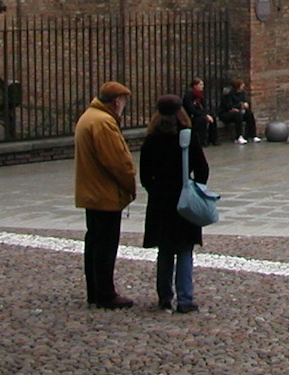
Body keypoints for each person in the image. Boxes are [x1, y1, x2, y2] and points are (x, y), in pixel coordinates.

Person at [140, 95, 209, 314]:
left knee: (165, 250)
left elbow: (144, 176)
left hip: (161, 199)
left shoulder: (151, 139)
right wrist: (195, 187)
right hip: (183, 195)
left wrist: (156, 190)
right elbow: (202, 169)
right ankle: (185, 299)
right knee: (185, 248)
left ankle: (164, 297)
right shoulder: (188, 136)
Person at [74, 80, 137, 309]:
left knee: (94, 242)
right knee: (105, 245)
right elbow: (117, 162)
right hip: (105, 194)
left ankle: (95, 290)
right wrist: (130, 184)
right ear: (117, 101)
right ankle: (105, 293)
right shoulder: (104, 123)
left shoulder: (89, 117)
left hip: (92, 192)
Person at [219, 78, 260, 143]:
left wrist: (244, 105)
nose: (243, 87)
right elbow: (229, 106)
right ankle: (239, 136)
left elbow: (243, 102)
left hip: (238, 111)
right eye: (241, 85)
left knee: (249, 113)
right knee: (238, 115)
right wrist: (240, 105)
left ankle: (253, 135)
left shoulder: (242, 93)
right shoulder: (228, 94)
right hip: (226, 113)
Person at [182, 77, 219, 147]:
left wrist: (207, 114)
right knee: (202, 120)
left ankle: (213, 139)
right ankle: (202, 140)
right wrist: (205, 115)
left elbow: (203, 107)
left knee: (213, 117)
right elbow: (191, 109)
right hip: (191, 115)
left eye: (202, 84)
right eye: (200, 84)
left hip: (199, 113)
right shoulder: (189, 95)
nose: (202, 86)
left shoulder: (200, 95)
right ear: (195, 86)